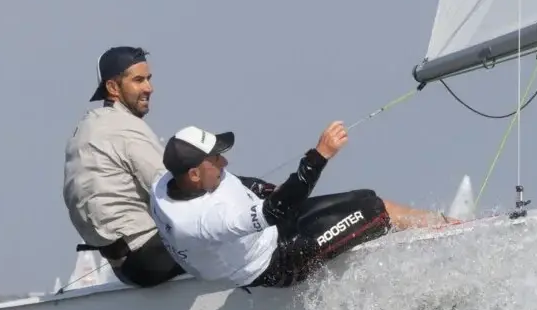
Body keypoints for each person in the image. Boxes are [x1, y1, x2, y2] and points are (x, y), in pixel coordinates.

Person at [150, 121, 452, 289]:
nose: (224, 163)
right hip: (277, 261)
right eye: (216, 159)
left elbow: (241, 184)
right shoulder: (209, 220)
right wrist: (319, 156)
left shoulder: (165, 183)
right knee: (373, 211)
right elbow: (274, 211)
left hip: (269, 233)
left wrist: (272, 190)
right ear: (194, 174)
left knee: (365, 196)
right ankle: (450, 238)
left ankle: (441, 224)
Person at [62, 46, 185, 288]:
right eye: (138, 80)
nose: (149, 88)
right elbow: (173, 190)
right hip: (150, 258)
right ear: (113, 87)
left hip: (124, 266)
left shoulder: (87, 126)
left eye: (148, 79)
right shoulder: (124, 128)